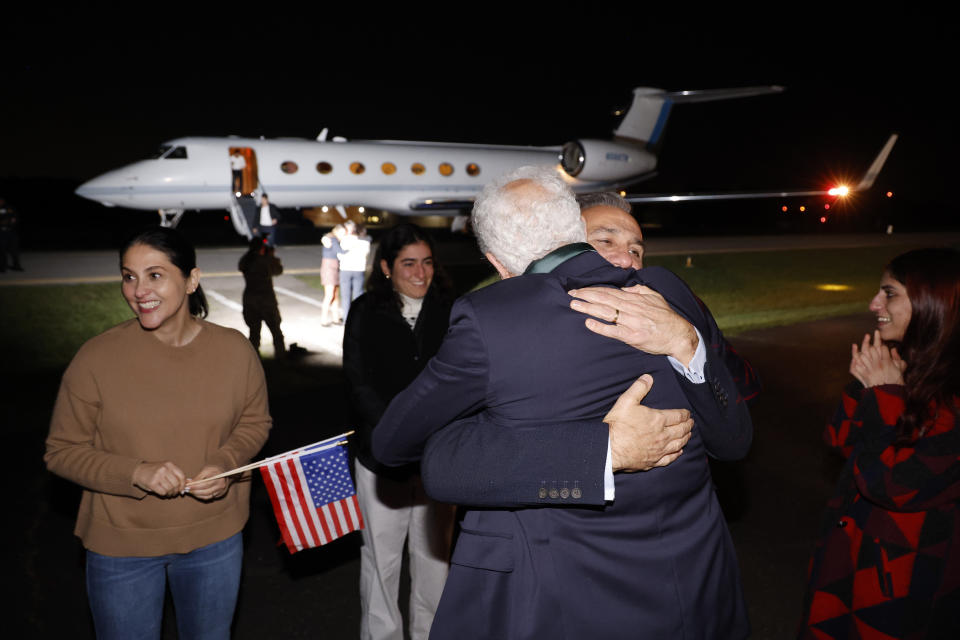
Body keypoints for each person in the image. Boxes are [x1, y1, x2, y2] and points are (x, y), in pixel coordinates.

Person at [372, 166, 752, 639]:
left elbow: (392, 444)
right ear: (577, 228)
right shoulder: (669, 291)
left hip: (574, 601)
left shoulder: (493, 318)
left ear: (498, 263)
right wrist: (686, 342)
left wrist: (685, 343)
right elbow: (735, 436)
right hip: (696, 590)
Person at [417, 191, 760, 508]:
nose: (626, 260)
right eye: (604, 241)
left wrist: (686, 344)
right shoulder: (509, 340)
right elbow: (449, 462)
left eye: (636, 250)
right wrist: (607, 450)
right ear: (561, 253)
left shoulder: (679, 325)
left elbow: (733, 440)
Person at [44, 227, 272, 640]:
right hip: (122, 550)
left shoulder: (235, 350)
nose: (138, 290)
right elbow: (61, 451)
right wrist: (135, 472)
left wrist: (224, 462)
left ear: (190, 280)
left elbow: (255, 422)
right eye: (128, 276)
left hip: (214, 540)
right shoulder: (96, 357)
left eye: (154, 275)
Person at [799, 247, 960, 639]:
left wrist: (885, 393)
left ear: (931, 302)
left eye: (889, 293)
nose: (874, 304)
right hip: (852, 563)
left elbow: (891, 484)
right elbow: (839, 440)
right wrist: (865, 387)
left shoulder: (952, 393)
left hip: (903, 586)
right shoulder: (904, 364)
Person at [342, 223, 457, 640]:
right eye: (409, 263)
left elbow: (462, 382)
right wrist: (399, 431)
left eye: (427, 263)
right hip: (380, 457)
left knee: (434, 560)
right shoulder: (365, 311)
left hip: (438, 459)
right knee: (380, 561)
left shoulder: (450, 309)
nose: (420, 273)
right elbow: (357, 383)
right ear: (387, 267)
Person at [238, 237, 285, 358]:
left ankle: (254, 359)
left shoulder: (246, 260)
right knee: (276, 332)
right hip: (266, 299)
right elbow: (278, 270)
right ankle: (281, 358)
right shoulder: (266, 261)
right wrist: (271, 256)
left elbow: (241, 266)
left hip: (250, 299)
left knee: (254, 333)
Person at [338, 220, 371, 319]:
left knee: (345, 296)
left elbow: (339, 255)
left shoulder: (344, 241)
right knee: (358, 295)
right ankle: (357, 317)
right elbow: (366, 256)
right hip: (359, 269)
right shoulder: (365, 242)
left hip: (345, 269)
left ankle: (346, 318)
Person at [320, 224, 344, 326]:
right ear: (337, 231)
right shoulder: (332, 239)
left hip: (334, 268)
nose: (344, 235)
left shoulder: (331, 239)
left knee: (335, 295)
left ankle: (336, 318)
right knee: (329, 295)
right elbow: (340, 252)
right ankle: (323, 319)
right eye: (343, 232)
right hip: (329, 269)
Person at [0, 197, 23, 272]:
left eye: (1, 200)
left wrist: (11, 221)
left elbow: (15, 217)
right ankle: (3, 267)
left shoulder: (9, 208)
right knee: (2, 250)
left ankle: (16, 266)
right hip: (1, 232)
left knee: (14, 250)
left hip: (11, 231)